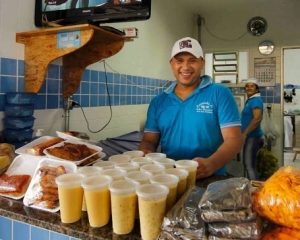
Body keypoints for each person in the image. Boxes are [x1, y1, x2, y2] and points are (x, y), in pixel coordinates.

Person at [139, 37, 243, 179]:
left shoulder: (219, 93)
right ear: (171, 64)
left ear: (202, 63)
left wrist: (211, 164)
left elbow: (234, 139)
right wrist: (145, 151)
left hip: (211, 179)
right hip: (169, 178)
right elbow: (149, 141)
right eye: (179, 61)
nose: (186, 67)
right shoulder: (159, 102)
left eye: (192, 60)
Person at [241, 78, 264, 180]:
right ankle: (251, 190)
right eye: (247, 86)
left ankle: (255, 192)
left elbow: (257, 119)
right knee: (248, 164)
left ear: (257, 88)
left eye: (252, 86)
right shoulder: (250, 100)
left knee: (249, 166)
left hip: (252, 137)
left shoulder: (256, 101)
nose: (249, 88)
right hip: (250, 136)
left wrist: (245, 133)